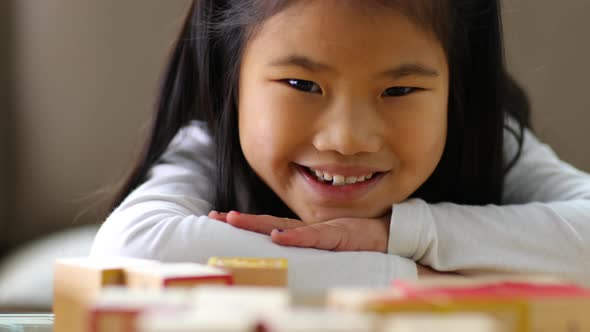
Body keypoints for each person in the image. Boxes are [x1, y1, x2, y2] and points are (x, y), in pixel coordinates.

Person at [90, 0, 590, 291]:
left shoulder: (485, 141)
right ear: (232, 79)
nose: (347, 139)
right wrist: (424, 277)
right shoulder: (209, 145)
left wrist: (395, 233)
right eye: (302, 85)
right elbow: (132, 251)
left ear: (457, 91)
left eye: (399, 91)